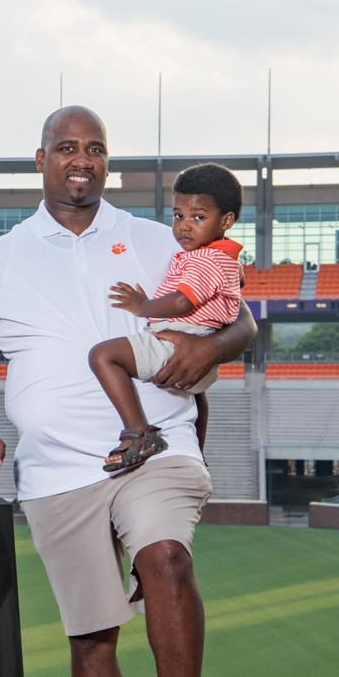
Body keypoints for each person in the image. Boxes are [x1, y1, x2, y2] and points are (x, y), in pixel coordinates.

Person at [0, 106, 256, 677]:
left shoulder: (158, 239)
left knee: (167, 559)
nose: (80, 160)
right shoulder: (5, 256)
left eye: (94, 149)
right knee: (93, 636)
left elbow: (240, 314)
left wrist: (211, 348)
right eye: (65, 148)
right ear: (40, 159)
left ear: (108, 162)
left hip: (156, 445)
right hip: (57, 471)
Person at [88, 163, 244, 474]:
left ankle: (138, 433)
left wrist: (142, 306)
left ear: (226, 221)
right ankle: (197, 450)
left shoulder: (206, 259)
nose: (185, 226)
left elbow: (183, 300)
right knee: (195, 396)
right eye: (178, 215)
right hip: (200, 351)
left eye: (199, 217)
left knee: (103, 356)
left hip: (180, 339)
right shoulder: (225, 257)